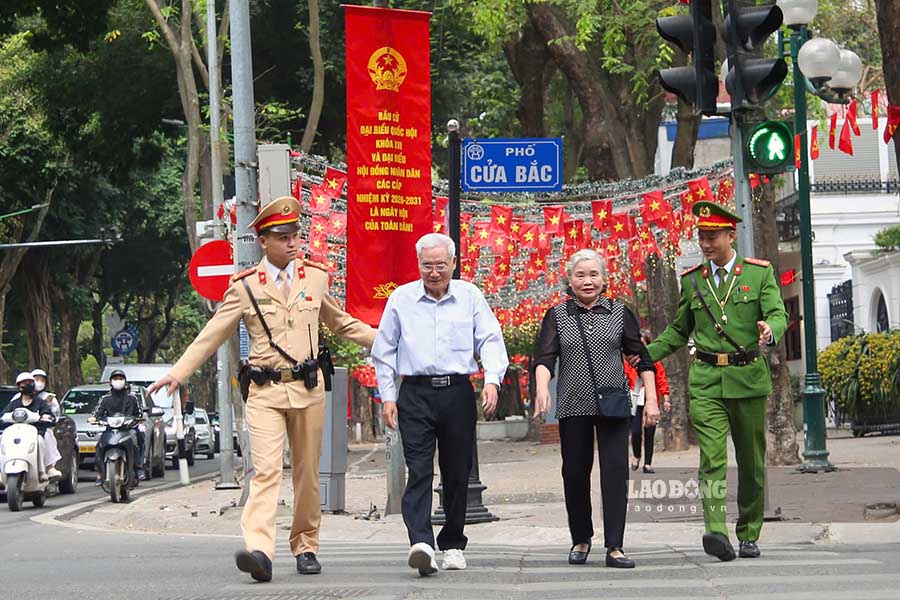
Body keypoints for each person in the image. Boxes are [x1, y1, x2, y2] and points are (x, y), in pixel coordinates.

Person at [148, 196, 376, 583]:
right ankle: (260, 552)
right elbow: (213, 333)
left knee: (307, 474)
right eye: (283, 237)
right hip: (264, 392)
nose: (292, 243)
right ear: (263, 242)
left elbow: (342, 323)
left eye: (295, 235)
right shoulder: (245, 287)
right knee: (266, 472)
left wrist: (389, 340)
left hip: (307, 390)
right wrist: (179, 373)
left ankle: (305, 545)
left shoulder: (315, 278)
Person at [641, 200, 787, 561]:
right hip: (706, 382)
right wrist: (643, 355)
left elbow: (777, 313)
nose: (705, 244)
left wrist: (770, 329)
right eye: (701, 237)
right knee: (711, 459)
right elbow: (679, 331)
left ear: (730, 235)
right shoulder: (692, 281)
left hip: (747, 379)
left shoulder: (758, 274)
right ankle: (717, 532)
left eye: (712, 236)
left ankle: (748, 532)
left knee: (751, 463)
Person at [372, 232, 509, 576]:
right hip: (414, 394)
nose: (434, 273)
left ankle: (452, 544)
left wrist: (492, 380)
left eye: (440, 265)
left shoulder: (469, 296)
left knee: (457, 471)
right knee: (419, 469)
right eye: (427, 266)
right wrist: (388, 396)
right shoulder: (401, 299)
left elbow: (490, 338)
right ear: (418, 265)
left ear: (453, 264)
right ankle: (421, 542)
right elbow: (384, 350)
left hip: (457, 392)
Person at [533, 248, 658, 569]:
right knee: (575, 473)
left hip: (613, 404)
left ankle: (615, 545)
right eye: (580, 275)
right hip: (573, 404)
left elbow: (641, 357)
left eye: (593, 274)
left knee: (615, 473)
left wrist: (652, 400)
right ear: (569, 280)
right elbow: (545, 358)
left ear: (603, 278)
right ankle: (581, 538)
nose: (587, 281)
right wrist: (542, 387)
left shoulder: (619, 312)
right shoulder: (557, 315)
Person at [625, 332, 671, 474]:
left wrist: (666, 399)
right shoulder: (628, 362)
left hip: (650, 400)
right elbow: (625, 379)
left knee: (650, 431)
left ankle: (647, 463)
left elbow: (661, 380)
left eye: (642, 343)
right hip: (635, 401)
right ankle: (637, 455)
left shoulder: (654, 361)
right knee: (636, 432)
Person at [92, 369, 144, 484]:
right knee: (100, 446)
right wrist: (95, 419)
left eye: (121, 379)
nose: (118, 381)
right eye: (115, 379)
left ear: (125, 381)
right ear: (110, 382)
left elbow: (139, 414)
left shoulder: (132, 398)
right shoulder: (105, 399)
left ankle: (138, 468)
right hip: (110, 430)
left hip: (128, 430)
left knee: (137, 440)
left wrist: (135, 420)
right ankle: (100, 473)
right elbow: (98, 414)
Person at [1, 372, 55, 481]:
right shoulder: (14, 403)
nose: (27, 385)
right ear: (19, 386)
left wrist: (46, 417)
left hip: (35, 433)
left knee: (41, 441)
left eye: (30, 382)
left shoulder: (40, 402)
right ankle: (1, 472)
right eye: (24, 383)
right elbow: (4, 415)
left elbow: (49, 415)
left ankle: (44, 470)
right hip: (16, 434)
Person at [32, 368, 63, 479]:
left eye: (42, 380)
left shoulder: (48, 398)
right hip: (21, 428)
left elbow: (55, 414)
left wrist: (48, 417)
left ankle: (50, 467)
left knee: (48, 435)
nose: (39, 382)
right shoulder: (18, 397)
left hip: (41, 428)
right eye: (36, 379)